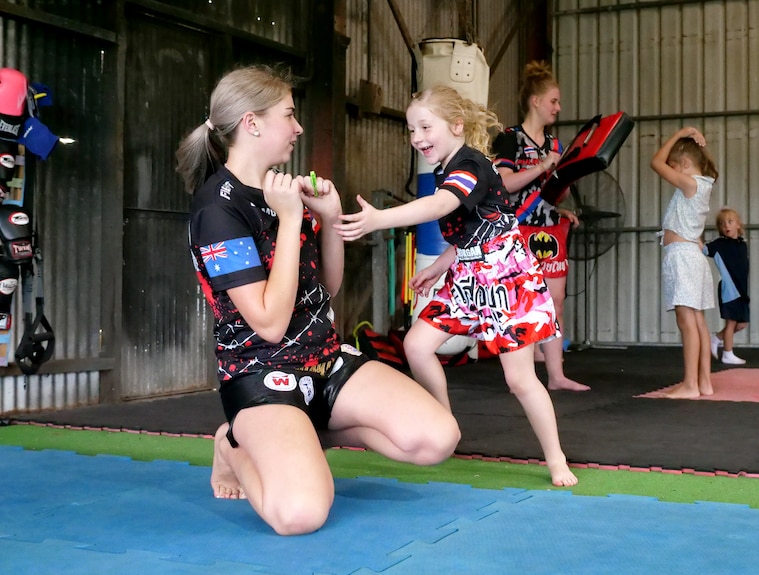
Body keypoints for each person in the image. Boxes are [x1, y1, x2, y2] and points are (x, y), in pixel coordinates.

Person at [175, 65, 460, 536]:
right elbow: (267, 323)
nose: (298, 126)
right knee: (299, 515)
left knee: (438, 438)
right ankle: (233, 446)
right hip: (261, 372)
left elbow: (322, 290)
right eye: (289, 115)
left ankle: (301, 437)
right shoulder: (218, 210)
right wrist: (290, 222)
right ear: (252, 123)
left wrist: (327, 220)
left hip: (323, 360)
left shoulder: (280, 189)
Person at [334, 85, 578, 487]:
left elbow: (441, 206)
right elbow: (475, 228)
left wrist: (380, 219)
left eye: (425, 127)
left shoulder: (470, 165)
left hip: (504, 276)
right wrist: (442, 265)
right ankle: (444, 426)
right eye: (412, 130)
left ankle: (556, 459)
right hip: (466, 275)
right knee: (415, 345)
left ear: (457, 125)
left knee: (519, 380)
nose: (417, 139)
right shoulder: (447, 167)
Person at [491, 61, 589, 392]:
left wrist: (560, 207)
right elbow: (505, 184)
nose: (558, 108)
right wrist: (542, 166)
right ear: (535, 101)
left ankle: (557, 375)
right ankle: (523, 373)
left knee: (555, 300)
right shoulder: (508, 139)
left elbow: (548, 190)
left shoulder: (555, 145)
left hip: (549, 227)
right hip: (518, 230)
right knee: (522, 302)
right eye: (553, 101)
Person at [650, 126, 718, 399]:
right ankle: (703, 381)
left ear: (686, 165)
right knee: (697, 319)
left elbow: (656, 162)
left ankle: (691, 384)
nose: (672, 172)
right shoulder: (702, 186)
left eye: (675, 166)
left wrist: (678, 134)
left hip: (682, 257)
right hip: (691, 256)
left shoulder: (691, 183)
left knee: (687, 320)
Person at [704, 207, 749, 365]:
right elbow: (703, 249)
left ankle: (715, 339)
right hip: (730, 290)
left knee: (741, 324)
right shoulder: (719, 245)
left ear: (738, 224)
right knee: (731, 322)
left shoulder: (741, 244)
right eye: (722, 224)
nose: (726, 226)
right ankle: (728, 353)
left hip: (742, 290)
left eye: (730, 222)